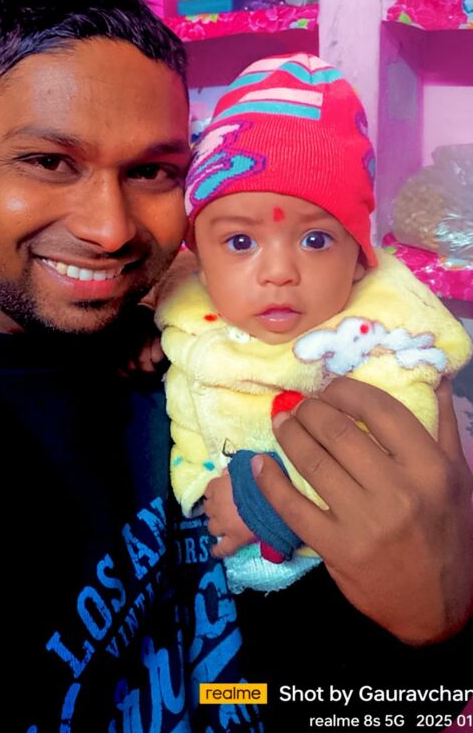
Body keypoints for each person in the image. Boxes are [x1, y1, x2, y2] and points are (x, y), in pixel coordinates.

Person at [0, 0, 471, 731]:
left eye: (152, 172)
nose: (110, 229)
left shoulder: (198, 347)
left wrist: (435, 635)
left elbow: (326, 689)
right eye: (49, 162)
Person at [155, 52, 472, 596]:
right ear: (199, 260)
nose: (279, 272)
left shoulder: (381, 340)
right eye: (240, 241)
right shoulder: (187, 300)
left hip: (354, 585)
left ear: (358, 258)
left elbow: (396, 468)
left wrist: (263, 504)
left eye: (315, 239)